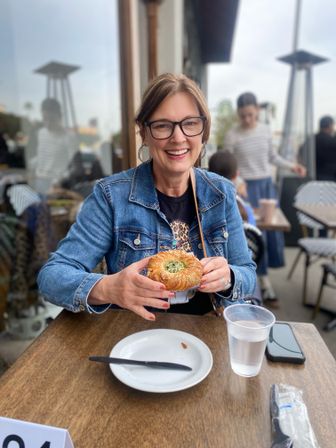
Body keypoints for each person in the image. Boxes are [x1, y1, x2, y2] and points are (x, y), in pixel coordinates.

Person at [38, 73, 256, 321]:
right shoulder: (112, 196)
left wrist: (229, 277)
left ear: (203, 130)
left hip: (207, 335)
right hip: (134, 337)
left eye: (190, 123)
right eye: (163, 125)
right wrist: (108, 288)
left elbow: (247, 273)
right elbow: (52, 277)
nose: (178, 137)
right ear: (144, 132)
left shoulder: (222, 193)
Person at [224, 92, 306, 306]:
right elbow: (229, 166)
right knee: (250, 235)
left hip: (265, 186)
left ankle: (264, 280)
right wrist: (238, 182)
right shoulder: (232, 135)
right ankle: (257, 285)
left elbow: (272, 157)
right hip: (244, 188)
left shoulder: (265, 130)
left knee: (268, 234)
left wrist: (291, 166)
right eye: (243, 116)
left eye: (251, 115)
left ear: (257, 111)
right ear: (238, 115)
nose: (247, 120)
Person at [34, 98, 78, 193]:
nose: (48, 123)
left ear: (60, 116)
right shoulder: (41, 133)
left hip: (58, 185)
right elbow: (41, 157)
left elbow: (74, 166)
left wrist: (59, 181)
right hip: (39, 181)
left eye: (52, 119)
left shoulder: (69, 137)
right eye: (45, 119)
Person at [208, 150, 256, 225]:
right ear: (236, 174)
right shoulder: (244, 208)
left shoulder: (204, 203)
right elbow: (252, 230)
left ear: (208, 173)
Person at [299, 115, 336, 181]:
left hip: (313, 177)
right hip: (331, 179)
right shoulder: (332, 141)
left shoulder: (311, 139)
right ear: (330, 126)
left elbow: (301, 153)